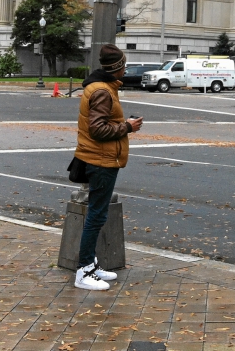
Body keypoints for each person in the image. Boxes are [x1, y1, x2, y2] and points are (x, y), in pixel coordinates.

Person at [73, 44, 143, 290]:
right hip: (101, 160)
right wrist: (127, 127)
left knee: (96, 214)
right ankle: (84, 271)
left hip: (99, 157)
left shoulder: (100, 87)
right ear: (118, 68)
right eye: (124, 64)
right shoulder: (103, 91)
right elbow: (98, 128)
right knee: (96, 215)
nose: (125, 68)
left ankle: (90, 265)